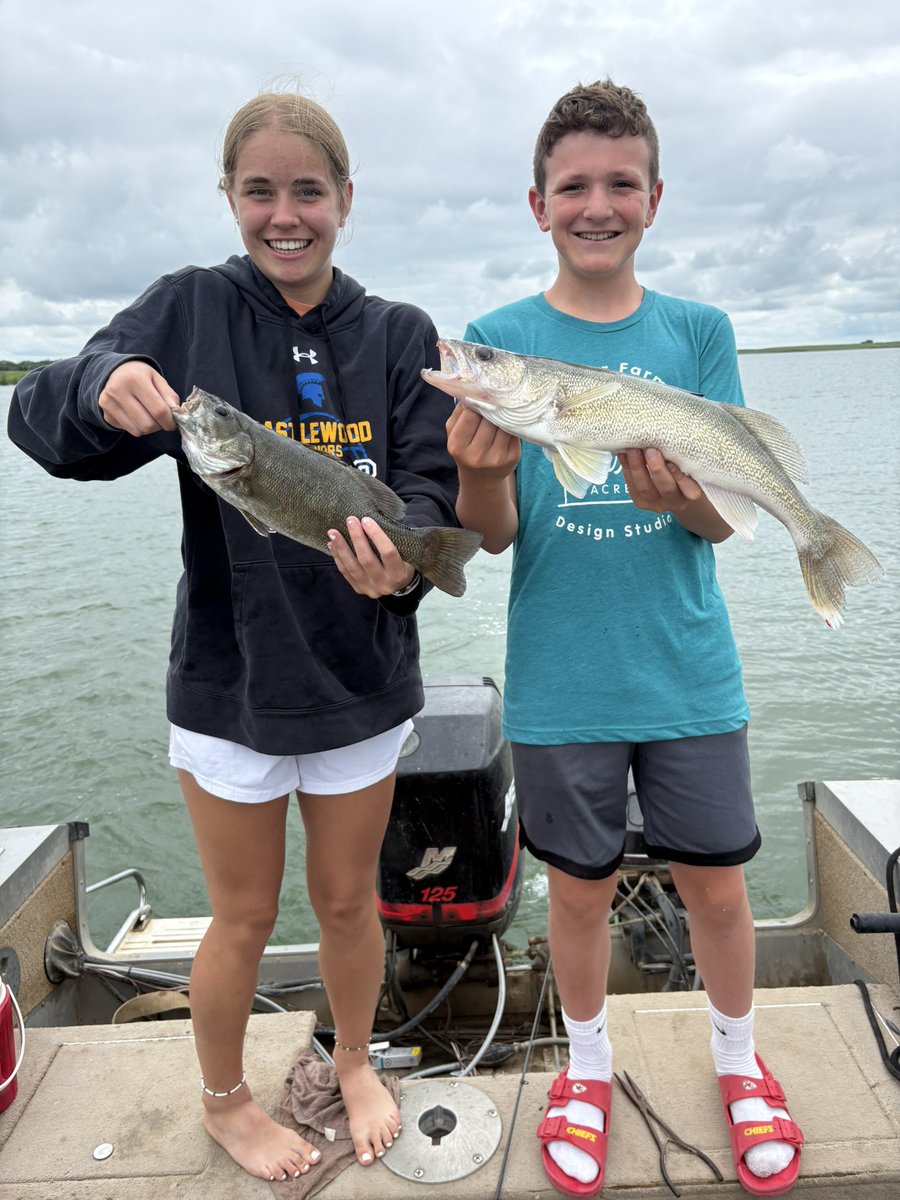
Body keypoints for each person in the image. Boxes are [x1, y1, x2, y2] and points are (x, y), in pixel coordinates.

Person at [9, 90, 464, 1184]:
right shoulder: (190, 310)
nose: (284, 214)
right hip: (230, 684)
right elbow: (38, 420)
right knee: (243, 916)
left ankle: (352, 1059)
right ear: (228, 196)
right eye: (259, 191)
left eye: (308, 190)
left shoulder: (398, 333)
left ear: (345, 198)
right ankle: (223, 1101)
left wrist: (406, 561)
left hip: (360, 682)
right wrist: (100, 384)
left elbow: (428, 489)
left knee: (349, 903)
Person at [446, 79, 804, 1198]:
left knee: (718, 890)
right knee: (579, 894)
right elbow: (493, 535)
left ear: (654, 197)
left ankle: (740, 1061)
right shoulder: (503, 341)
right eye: (572, 187)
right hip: (562, 679)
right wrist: (475, 470)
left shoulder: (699, 331)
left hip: (687, 669)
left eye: (620, 184)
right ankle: (587, 1068)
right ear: (537, 204)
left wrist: (684, 496)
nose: (596, 205)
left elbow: (720, 523)